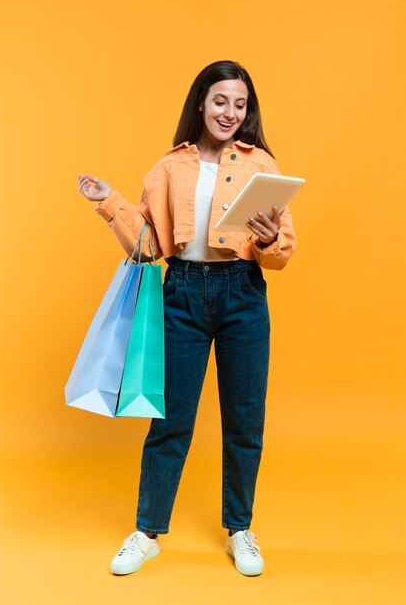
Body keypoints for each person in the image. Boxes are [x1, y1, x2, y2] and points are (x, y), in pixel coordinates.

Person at [78, 60, 296, 577]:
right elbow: (148, 246)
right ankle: (147, 531)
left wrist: (268, 238)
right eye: (221, 100)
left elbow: (283, 251)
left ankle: (240, 528)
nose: (230, 112)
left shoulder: (261, 164)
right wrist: (109, 203)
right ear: (201, 101)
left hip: (242, 293)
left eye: (240, 105)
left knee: (245, 419)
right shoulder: (168, 168)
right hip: (181, 292)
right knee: (169, 421)